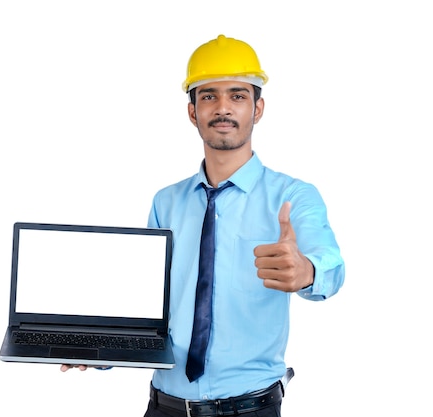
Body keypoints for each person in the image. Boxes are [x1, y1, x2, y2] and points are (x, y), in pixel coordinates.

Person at [62, 34, 345, 417]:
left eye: (238, 95)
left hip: (249, 409)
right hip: (164, 407)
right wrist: (101, 351)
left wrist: (307, 272)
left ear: (258, 109)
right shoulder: (166, 202)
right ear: (193, 112)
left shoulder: (293, 197)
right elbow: (149, 306)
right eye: (209, 96)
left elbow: (330, 264)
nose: (223, 107)